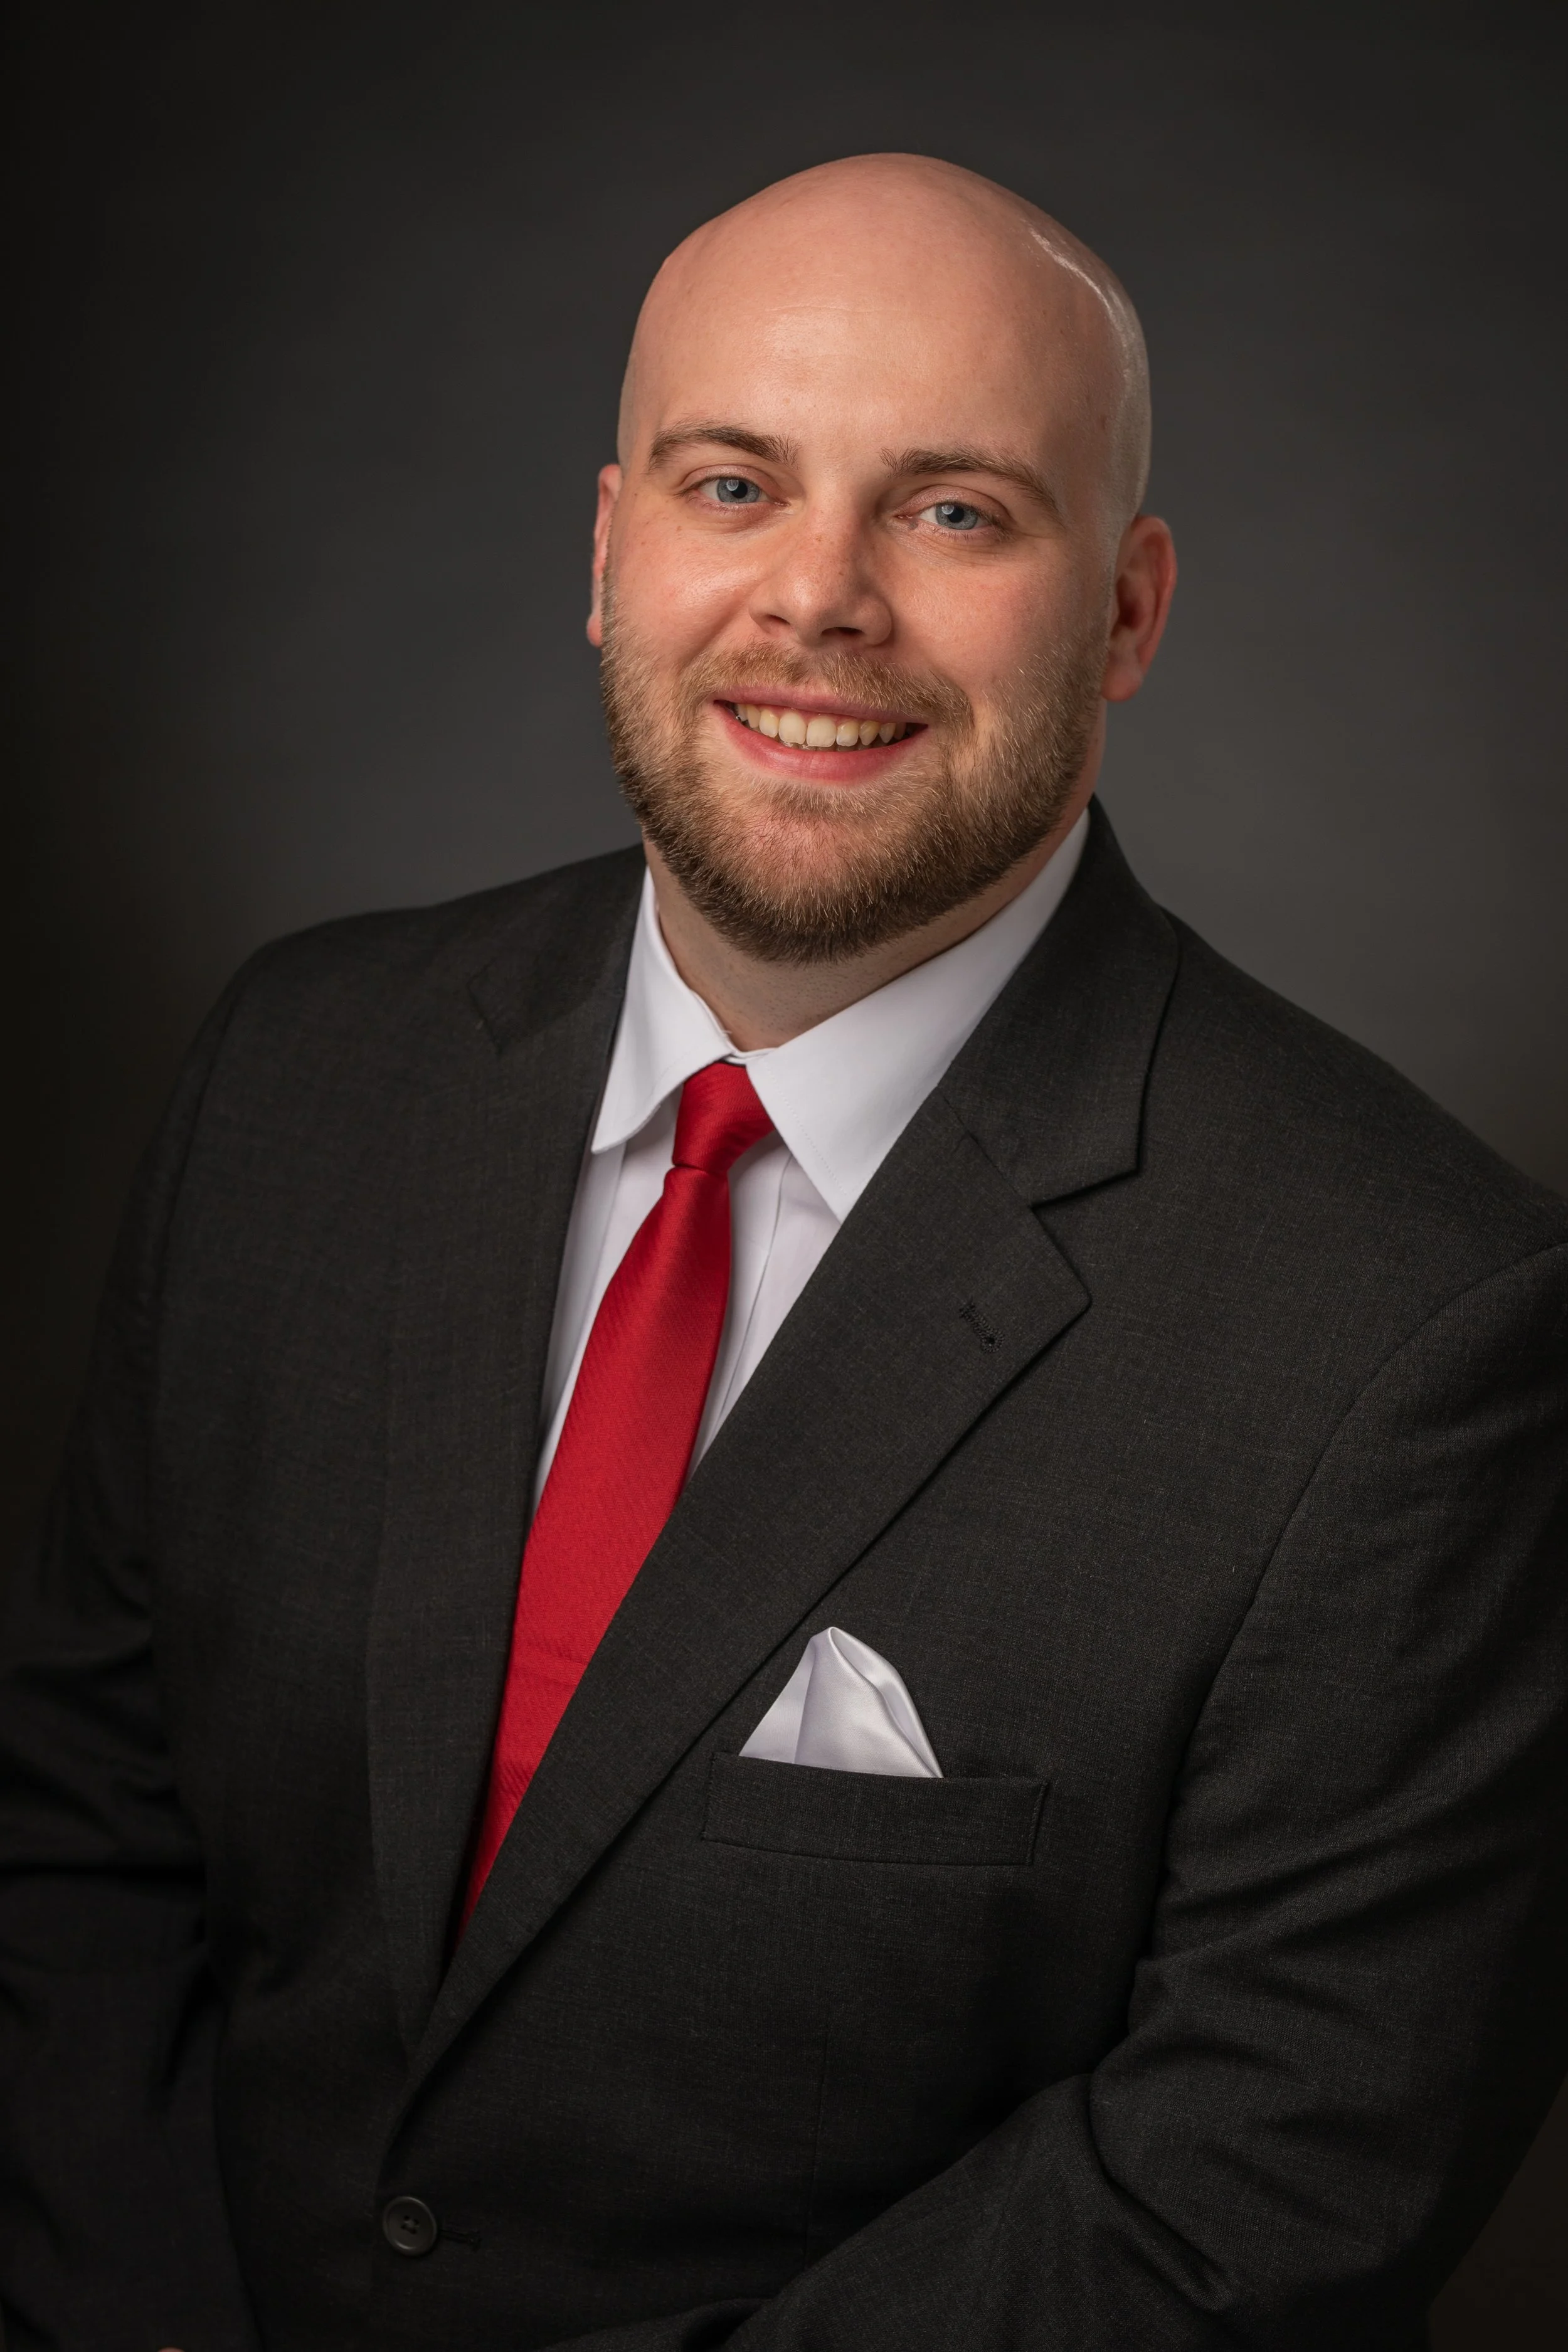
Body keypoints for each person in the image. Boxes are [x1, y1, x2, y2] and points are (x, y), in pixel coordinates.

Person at [1, 151, 1565, 2352]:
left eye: (950, 510)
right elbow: (76, 1832)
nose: (817, 597)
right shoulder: (298, 1066)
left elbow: (1246, 2195)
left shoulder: (1410, 1330)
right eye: (733, 482)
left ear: (1123, 609)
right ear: (609, 545)